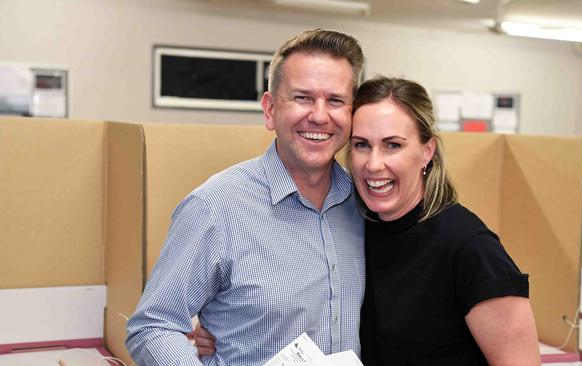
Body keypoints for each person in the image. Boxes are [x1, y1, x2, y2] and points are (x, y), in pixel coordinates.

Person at [125, 29, 366, 366]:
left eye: (336, 100)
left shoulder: (367, 208)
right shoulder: (215, 208)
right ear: (269, 109)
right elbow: (152, 326)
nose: (320, 115)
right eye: (302, 98)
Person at [348, 76, 541, 365]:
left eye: (393, 145)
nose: (374, 164)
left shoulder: (469, 247)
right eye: (362, 145)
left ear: (428, 151)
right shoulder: (352, 230)